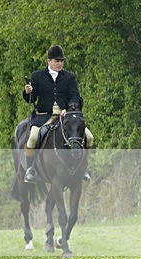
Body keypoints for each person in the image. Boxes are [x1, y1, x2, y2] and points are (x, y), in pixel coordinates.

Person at [22, 45, 94, 183]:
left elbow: (75, 96)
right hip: (44, 116)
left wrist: (70, 108)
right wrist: (28, 91)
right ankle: (31, 169)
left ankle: (84, 168)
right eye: (57, 61)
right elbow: (31, 99)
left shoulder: (69, 77)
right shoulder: (37, 76)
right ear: (49, 61)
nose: (60, 63)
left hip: (65, 116)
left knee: (89, 137)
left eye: (62, 61)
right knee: (32, 138)